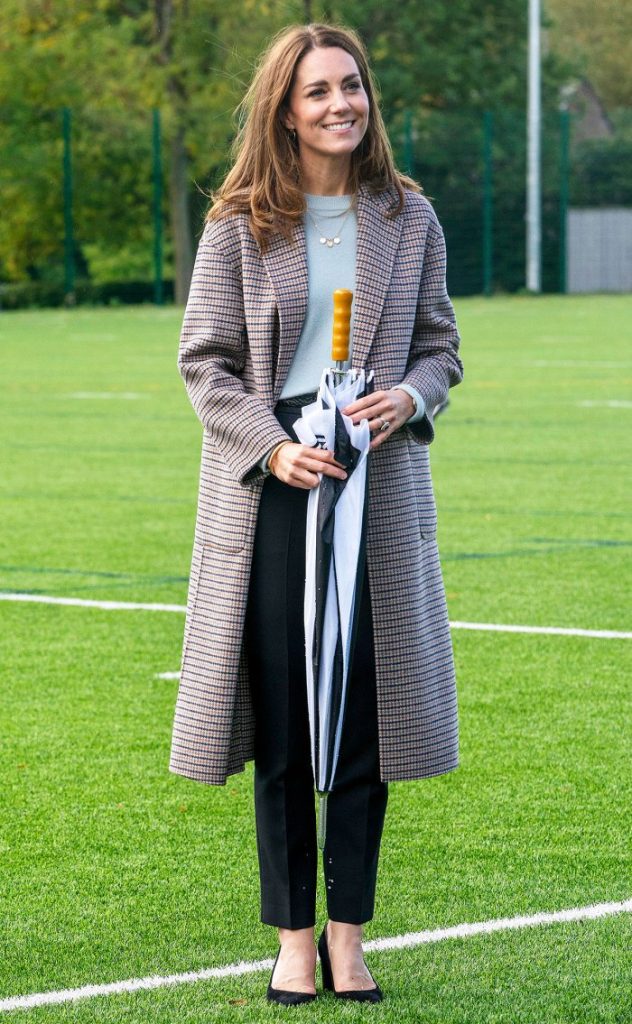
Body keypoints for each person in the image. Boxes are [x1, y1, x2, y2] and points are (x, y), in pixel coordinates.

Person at [169, 21, 464, 1005]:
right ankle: (292, 938)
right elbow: (202, 364)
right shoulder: (238, 224)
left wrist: (408, 398)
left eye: (352, 87)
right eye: (317, 92)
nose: (340, 104)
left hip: (376, 494)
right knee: (291, 727)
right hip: (273, 496)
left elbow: (439, 349)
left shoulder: (406, 217)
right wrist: (270, 442)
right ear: (283, 111)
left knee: (365, 724)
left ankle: (349, 938)